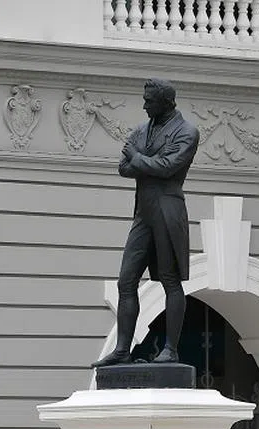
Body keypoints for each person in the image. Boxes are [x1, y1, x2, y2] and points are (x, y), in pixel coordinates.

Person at [92, 77, 200, 368]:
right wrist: (145, 161)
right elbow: (123, 168)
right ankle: (122, 350)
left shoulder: (187, 132)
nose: (144, 104)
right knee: (126, 280)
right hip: (144, 213)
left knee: (170, 280)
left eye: (149, 100)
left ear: (166, 101)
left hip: (168, 210)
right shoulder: (142, 129)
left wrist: (139, 157)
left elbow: (167, 168)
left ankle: (171, 350)